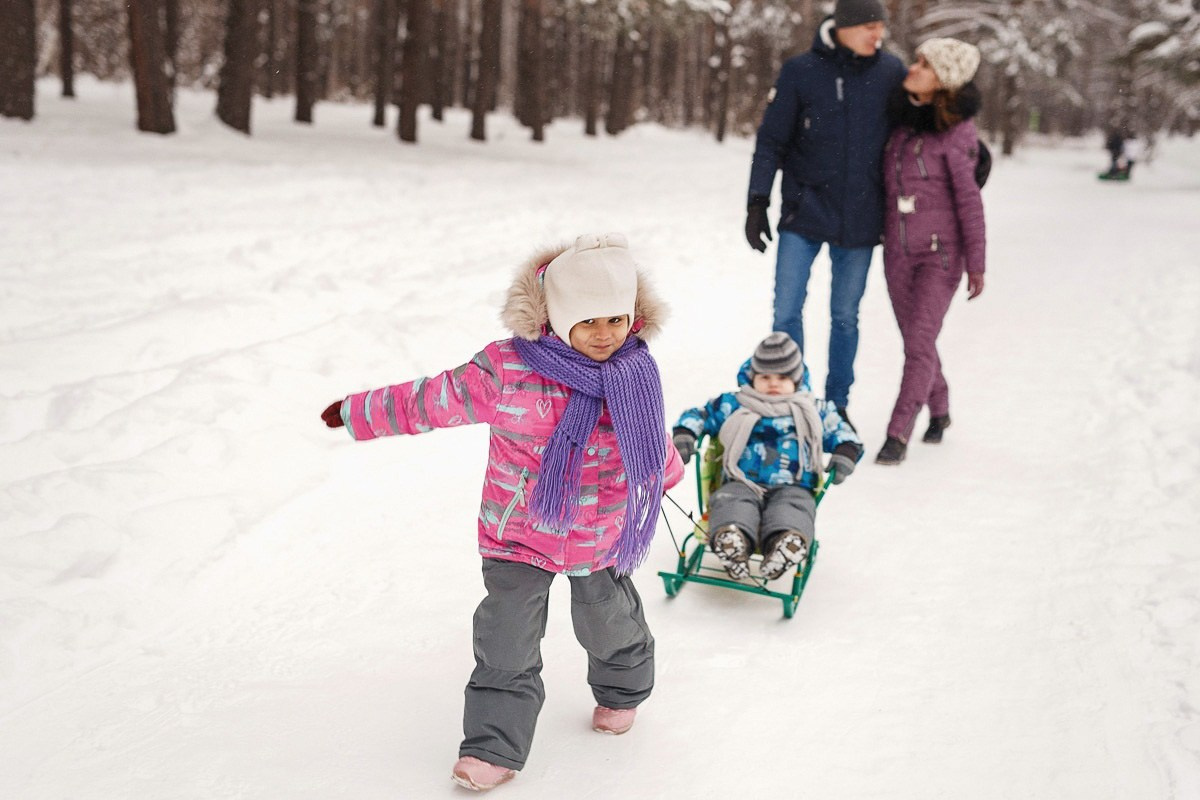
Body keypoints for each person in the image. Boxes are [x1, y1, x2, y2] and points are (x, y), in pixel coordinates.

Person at [320, 233, 685, 792]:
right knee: (506, 638)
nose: (605, 334)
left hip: (602, 531)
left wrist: (665, 477)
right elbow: (431, 398)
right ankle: (492, 747)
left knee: (606, 621)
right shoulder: (506, 369)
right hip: (519, 531)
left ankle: (621, 691)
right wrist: (359, 411)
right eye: (587, 322)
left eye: (616, 319)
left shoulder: (634, 371)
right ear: (556, 317)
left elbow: (648, 437)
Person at [744, 0, 907, 427]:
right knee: (786, 312)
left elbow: (921, 124)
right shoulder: (802, 70)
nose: (879, 35)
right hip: (805, 210)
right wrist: (757, 200)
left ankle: (836, 405)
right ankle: (794, 400)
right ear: (844, 27)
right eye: (870, 26)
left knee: (845, 316)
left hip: (861, 216)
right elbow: (772, 141)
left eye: (881, 27)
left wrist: (966, 142)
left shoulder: (890, 72)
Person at [670, 332, 862, 581]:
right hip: (741, 481)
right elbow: (701, 415)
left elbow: (843, 432)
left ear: (797, 379)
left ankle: (785, 543)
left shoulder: (814, 410)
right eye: (765, 377)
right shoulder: (735, 404)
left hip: (794, 485)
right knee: (731, 503)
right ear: (752, 376)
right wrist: (686, 433)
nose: (773, 384)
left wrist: (845, 452)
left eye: (782, 377)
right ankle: (732, 540)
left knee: (793, 510)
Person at [876, 38, 987, 465]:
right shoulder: (902, 125)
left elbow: (970, 203)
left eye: (925, 64)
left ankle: (897, 434)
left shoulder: (959, 134)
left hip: (940, 258)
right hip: (898, 254)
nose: (913, 68)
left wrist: (976, 263)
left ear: (944, 80)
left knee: (919, 344)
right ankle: (940, 408)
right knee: (917, 340)